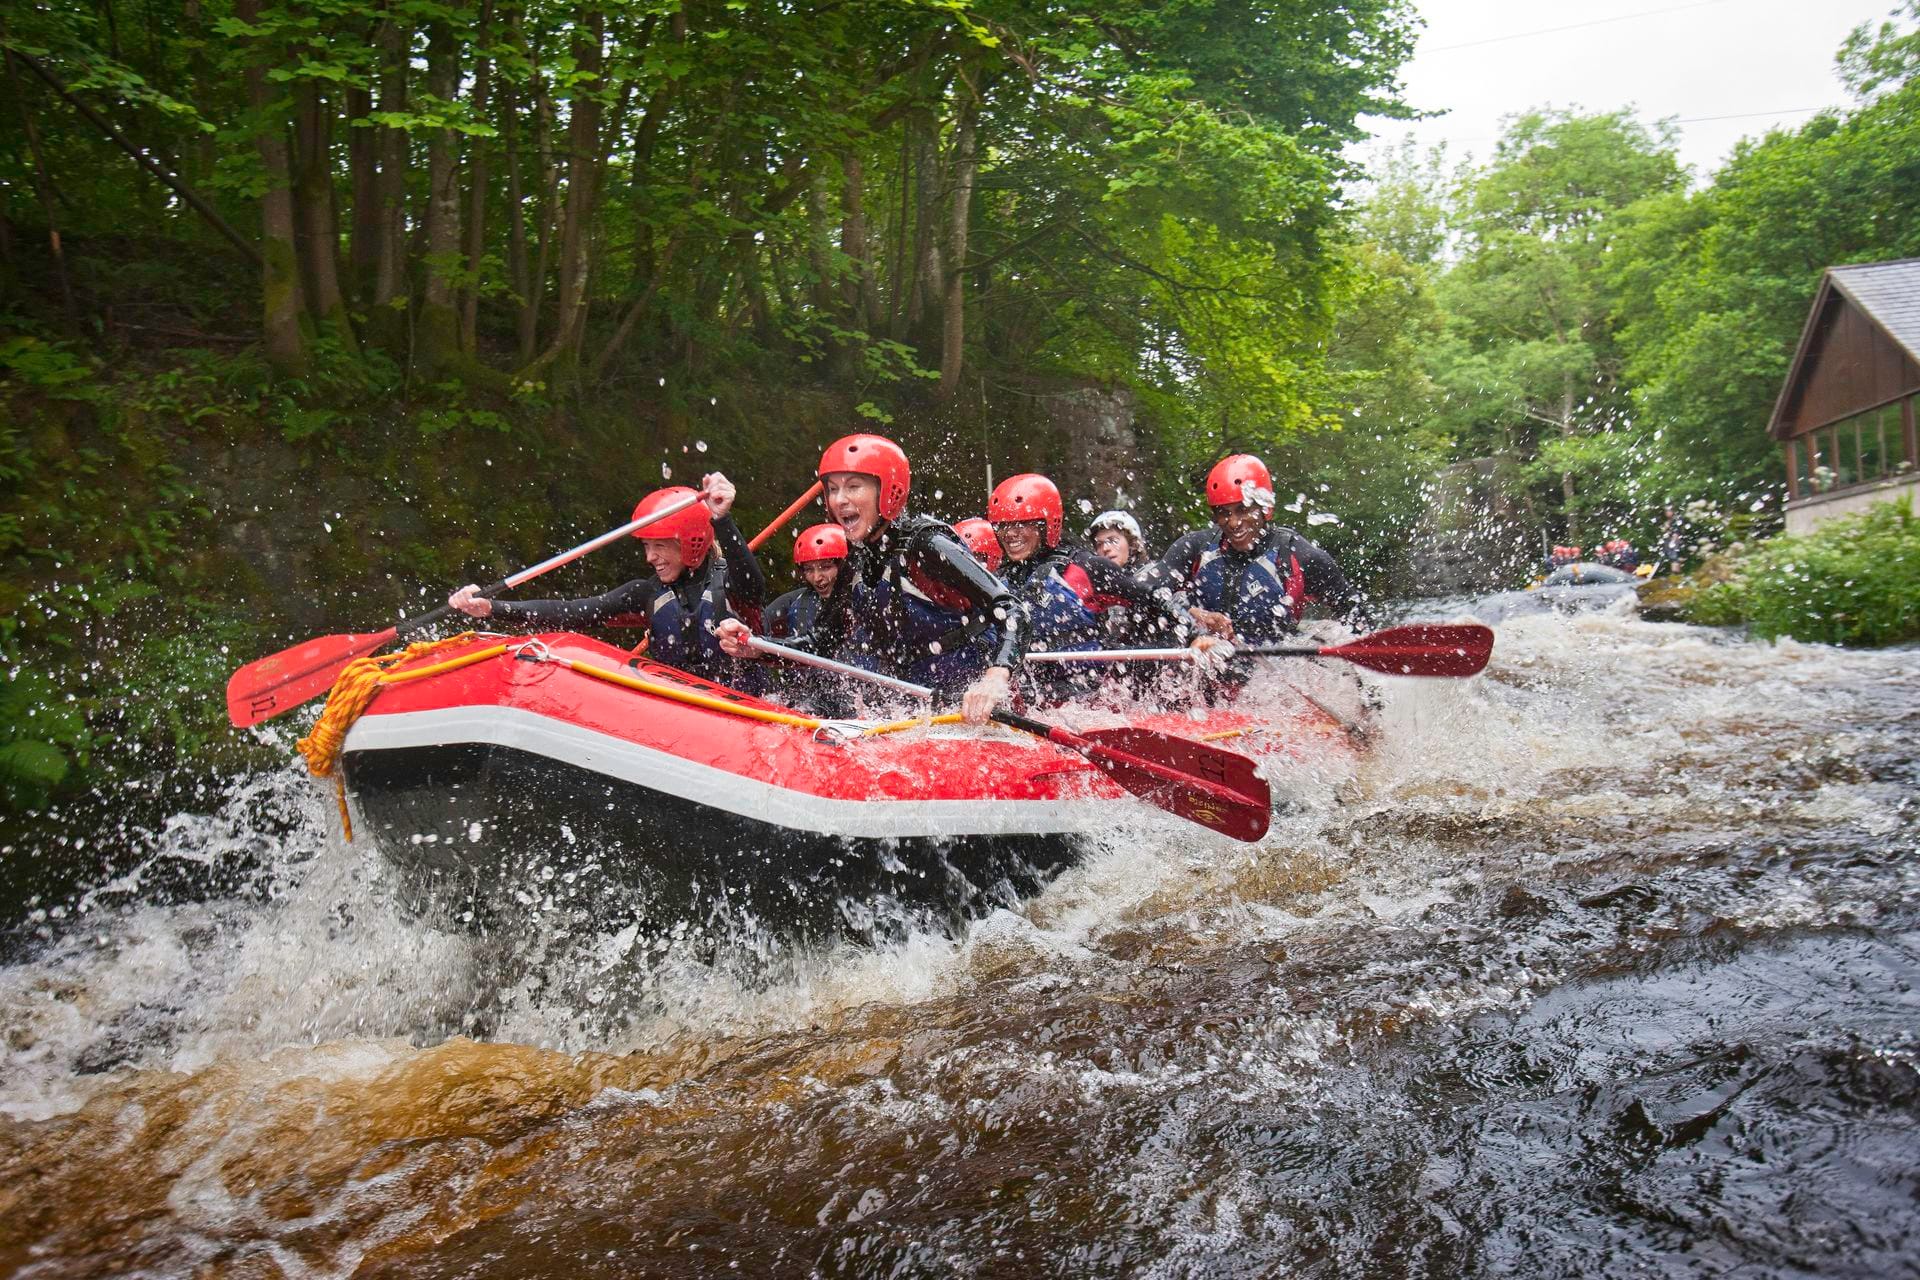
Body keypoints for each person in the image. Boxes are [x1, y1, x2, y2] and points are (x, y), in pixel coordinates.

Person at [716, 434, 1023, 722]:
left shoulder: (926, 546)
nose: (839, 500)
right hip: (915, 702)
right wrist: (759, 648)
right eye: (833, 489)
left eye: (853, 487)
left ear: (889, 491)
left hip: (974, 700)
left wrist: (995, 677)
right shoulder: (855, 560)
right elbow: (823, 642)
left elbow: (1011, 609)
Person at [448, 473, 766, 689]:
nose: (649, 557)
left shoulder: (735, 586)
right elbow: (574, 612)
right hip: (679, 711)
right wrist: (492, 607)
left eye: (659, 546)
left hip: (744, 712)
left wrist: (722, 518)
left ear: (691, 541)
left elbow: (751, 579)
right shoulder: (647, 593)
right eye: (645, 546)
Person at [987, 473, 1214, 703]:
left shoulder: (1087, 568)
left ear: (1047, 524)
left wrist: (1197, 634)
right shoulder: (999, 581)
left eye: (1021, 524)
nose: (1010, 533)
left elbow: (1155, 598)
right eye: (1003, 526)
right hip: (1030, 696)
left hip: (1086, 695)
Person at [1148, 454, 1369, 644]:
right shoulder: (1194, 548)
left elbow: (1356, 619)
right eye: (1224, 513)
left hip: (1271, 671)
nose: (1233, 523)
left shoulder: (1301, 556)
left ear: (1266, 508)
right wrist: (1193, 614)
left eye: (1243, 509)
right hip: (1204, 659)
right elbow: (1147, 592)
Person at [765, 523, 848, 639]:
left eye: (825, 567)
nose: (817, 578)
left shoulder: (868, 597)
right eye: (809, 570)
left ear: (845, 566)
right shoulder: (800, 611)